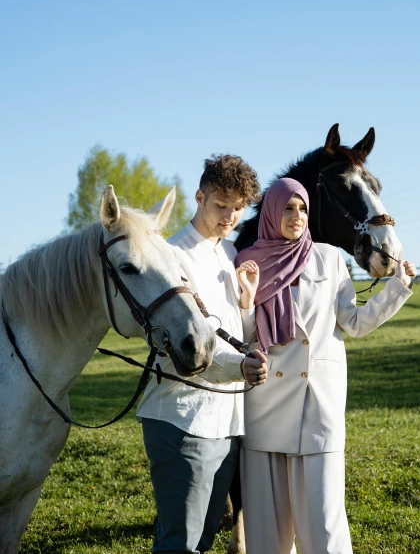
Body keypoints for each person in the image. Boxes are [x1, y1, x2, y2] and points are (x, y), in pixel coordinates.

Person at [236, 177, 416, 554]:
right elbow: (245, 336)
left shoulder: (329, 257)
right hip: (264, 408)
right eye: (287, 207)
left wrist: (396, 287)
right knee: (267, 538)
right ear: (271, 212)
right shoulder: (248, 262)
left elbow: (353, 321)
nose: (296, 215)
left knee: (326, 530)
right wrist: (247, 301)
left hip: (317, 406)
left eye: (302, 208)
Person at [137, 154, 268, 554]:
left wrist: (246, 303)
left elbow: (234, 337)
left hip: (226, 421)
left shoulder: (230, 256)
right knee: (180, 543)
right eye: (220, 205)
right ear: (199, 196)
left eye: (238, 208)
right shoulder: (172, 257)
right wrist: (240, 367)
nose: (230, 216)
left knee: (203, 540)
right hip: (182, 417)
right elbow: (188, 348)